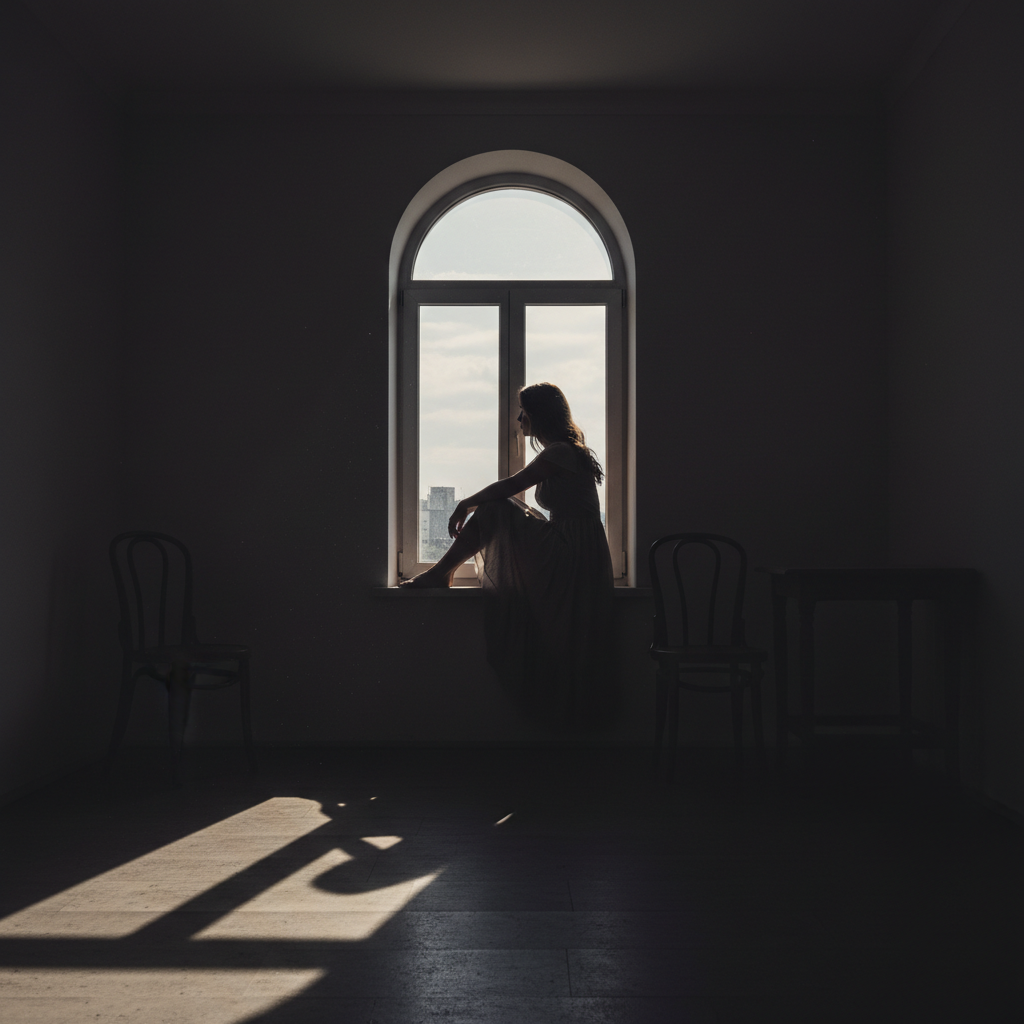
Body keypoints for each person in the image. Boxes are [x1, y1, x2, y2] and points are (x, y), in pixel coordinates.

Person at [401, 382, 616, 728]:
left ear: (539, 415)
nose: (518, 418)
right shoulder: (565, 450)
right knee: (497, 509)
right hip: (574, 547)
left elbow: (512, 485)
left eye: (524, 412)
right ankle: (441, 572)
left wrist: (465, 502)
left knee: (495, 506)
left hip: (573, 554)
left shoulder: (560, 451)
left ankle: (441, 572)